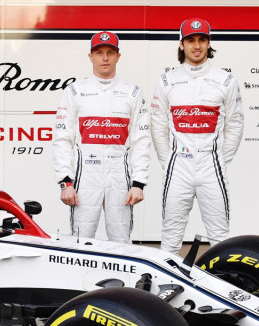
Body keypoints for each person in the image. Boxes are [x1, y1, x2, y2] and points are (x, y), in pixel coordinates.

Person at [151, 18, 244, 253]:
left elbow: (234, 124)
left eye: (202, 39)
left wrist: (219, 159)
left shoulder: (225, 80)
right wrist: (169, 160)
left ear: (209, 43)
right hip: (178, 165)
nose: (197, 45)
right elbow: (158, 125)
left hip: (211, 164)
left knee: (220, 236)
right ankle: (165, 285)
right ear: (181, 45)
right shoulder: (167, 80)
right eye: (191, 40)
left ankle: (224, 286)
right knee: (171, 235)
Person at [52, 31, 151, 243]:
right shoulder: (75, 91)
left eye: (110, 52)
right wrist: (65, 182)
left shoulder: (132, 92)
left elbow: (141, 140)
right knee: (80, 240)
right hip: (86, 177)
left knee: (121, 241)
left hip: (120, 178)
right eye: (99, 52)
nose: (105, 58)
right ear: (90, 56)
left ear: (118, 56)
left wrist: (139, 182)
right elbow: (62, 139)